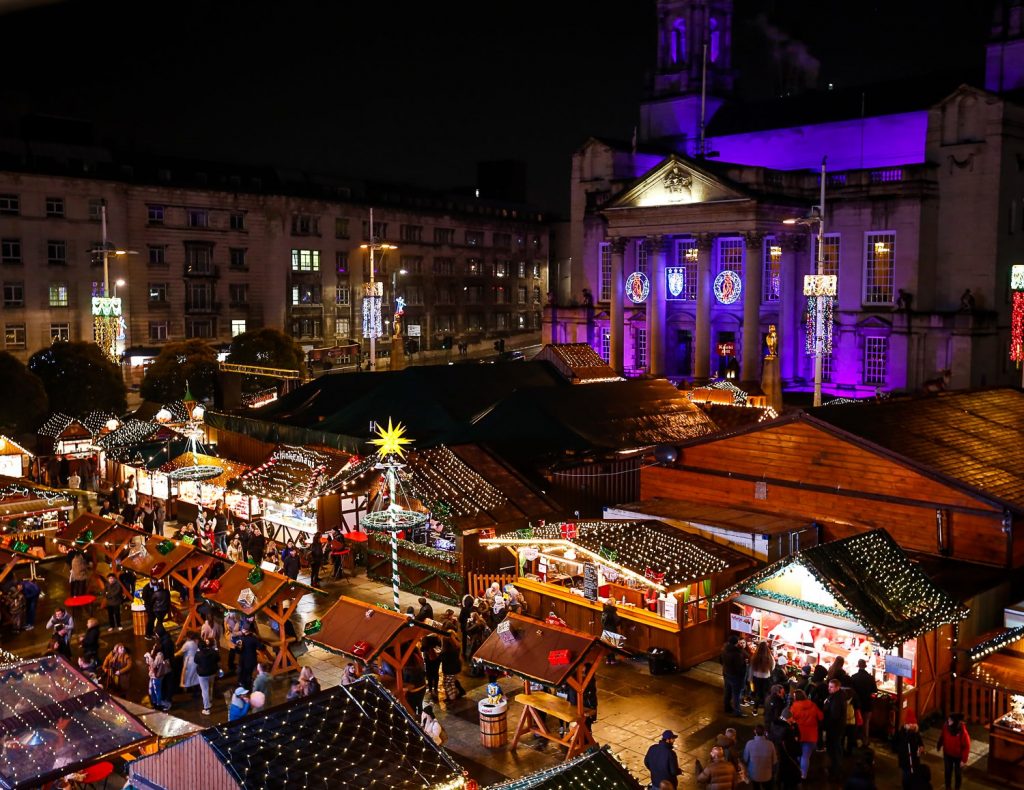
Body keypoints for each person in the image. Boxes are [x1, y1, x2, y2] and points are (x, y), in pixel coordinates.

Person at [789, 688, 823, 780]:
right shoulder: (813, 705)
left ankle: (798, 771)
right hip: (812, 735)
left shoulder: (794, 706)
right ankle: (803, 775)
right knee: (805, 756)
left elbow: (790, 720)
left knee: (798, 754)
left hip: (799, 734)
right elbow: (820, 716)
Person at [936, 712, 970, 790]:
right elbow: (942, 736)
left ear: (955, 722)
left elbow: (967, 746)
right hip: (947, 754)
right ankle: (948, 787)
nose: (948, 721)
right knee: (948, 772)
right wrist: (939, 744)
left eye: (950, 720)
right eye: (948, 719)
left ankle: (957, 788)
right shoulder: (946, 726)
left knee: (958, 774)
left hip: (958, 756)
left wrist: (964, 760)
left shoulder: (962, 731)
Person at [822, 678, 847, 781]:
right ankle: (835, 768)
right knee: (835, 748)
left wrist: (826, 706)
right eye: (829, 686)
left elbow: (834, 715)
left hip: (834, 728)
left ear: (837, 687)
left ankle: (836, 771)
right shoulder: (837, 696)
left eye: (831, 687)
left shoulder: (836, 699)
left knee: (835, 749)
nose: (829, 689)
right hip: (836, 728)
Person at [849, 658, 878, 747]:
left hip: (857, 704)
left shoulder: (854, 677)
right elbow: (874, 691)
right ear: (865, 666)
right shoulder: (870, 678)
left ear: (858, 666)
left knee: (856, 722)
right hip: (867, 704)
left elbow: (851, 691)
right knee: (866, 723)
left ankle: (854, 741)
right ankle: (865, 741)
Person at [742, 724, 778, 790]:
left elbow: (745, 759)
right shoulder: (770, 744)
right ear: (764, 732)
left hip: (753, 774)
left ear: (754, 731)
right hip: (767, 774)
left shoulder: (749, 743)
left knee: (756, 787)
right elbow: (774, 760)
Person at [720, 635, 748, 717]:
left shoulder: (724, 649)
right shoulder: (736, 653)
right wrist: (744, 664)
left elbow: (721, 661)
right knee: (736, 694)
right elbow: (739, 667)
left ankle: (727, 707)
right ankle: (737, 712)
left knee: (727, 691)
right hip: (735, 676)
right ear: (736, 643)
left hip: (726, 673)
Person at [895, 721, 926, 789]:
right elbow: (895, 745)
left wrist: (921, 747)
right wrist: (901, 752)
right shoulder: (902, 733)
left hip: (914, 759)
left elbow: (920, 742)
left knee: (913, 776)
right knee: (906, 776)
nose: (913, 727)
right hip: (905, 760)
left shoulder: (915, 733)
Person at [195, 637, 219, 715]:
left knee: (204, 690)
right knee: (211, 686)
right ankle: (210, 700)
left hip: (202, 674)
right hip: (212, 672)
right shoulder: (213, 651)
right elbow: (218, 659)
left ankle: (207, 708)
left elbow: (196, 661)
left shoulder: (198, 654)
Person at [749, 642, 774, 716]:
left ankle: (755, 709)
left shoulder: (754, 657)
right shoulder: (769, 657)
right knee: (766, 694)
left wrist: (750, 678)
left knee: (757, 694)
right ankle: (766, 711)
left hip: (756, 678)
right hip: (766, 678)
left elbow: (751, 668)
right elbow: (773, 667)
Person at [440, 631, 465, 703]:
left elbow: (443, 659)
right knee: (452, 682)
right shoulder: (456, 646)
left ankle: (452, 697)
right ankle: (453, 696)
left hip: (449, 670)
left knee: (448, 684)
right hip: (455, 667)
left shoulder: (446, 651)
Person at [145, 642, 171, 711]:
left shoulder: (159, 655)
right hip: (153, 675)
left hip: (157, 676)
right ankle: (154, 702)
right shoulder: (154, 654)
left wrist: (149, 657)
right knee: (153, 689)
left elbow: (153, 665)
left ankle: (158, 703)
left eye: (154, 647)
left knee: (157, 690)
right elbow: (149, 664)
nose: (153, 647)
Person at [176, 630, 201, 698]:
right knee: (194, 677)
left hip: (189, 662)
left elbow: (180, 652)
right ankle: (196, 691)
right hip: (195, 661)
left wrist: (174, 655)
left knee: (189, 677)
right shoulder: (194, 642)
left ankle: (193, 692)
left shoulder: (187, 644)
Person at [237, 624, 261, 689]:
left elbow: (237, 651)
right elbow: (261, 647)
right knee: (249, 675)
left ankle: (241, 686)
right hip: (251, 660)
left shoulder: (241, 639)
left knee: (242, 674)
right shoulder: (254, 639)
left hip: (242, 660)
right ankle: (247, 688)